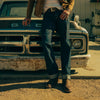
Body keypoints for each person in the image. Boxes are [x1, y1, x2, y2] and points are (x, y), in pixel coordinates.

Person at [23, 0, 74, 93]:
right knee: (46, 42)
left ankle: (66, 78)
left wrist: (68, 10)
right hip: (47, 15)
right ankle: (53, 76)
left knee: (66, 43)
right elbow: (31, 1)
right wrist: (28, 16)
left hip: (62, 12)